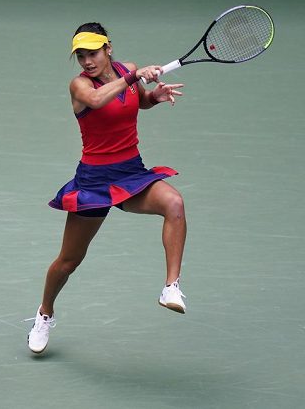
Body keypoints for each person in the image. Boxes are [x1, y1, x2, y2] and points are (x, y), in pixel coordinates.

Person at [26, 23, 187, 354]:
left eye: (93, 53)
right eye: (81, 55)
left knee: (174, 204)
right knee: (69, 261)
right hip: (94, 182)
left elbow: (135, 101)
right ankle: (44, 313)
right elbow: (99, 100)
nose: (87, 61)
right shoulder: (80, 86)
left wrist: (153, 96)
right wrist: (134, 77)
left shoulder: (125, 70)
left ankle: (171, 287)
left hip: (130, 173)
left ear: (108, 48)